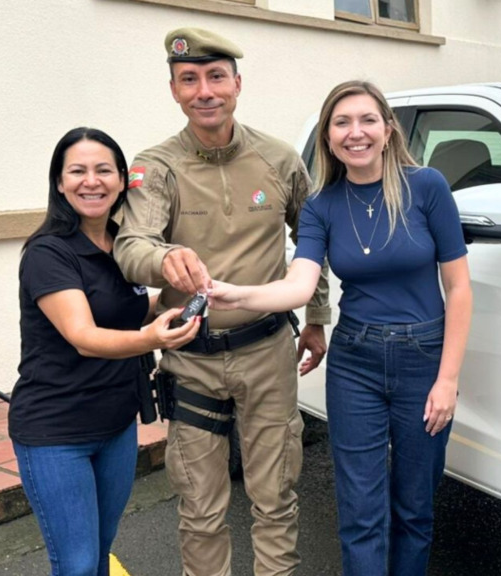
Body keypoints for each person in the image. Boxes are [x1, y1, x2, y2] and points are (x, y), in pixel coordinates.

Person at [209, 80, 473, 576]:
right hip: (356, 363)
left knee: (415, 508)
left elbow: (458, 288)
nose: (356, 133)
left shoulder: (428, 187)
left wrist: (448, 380)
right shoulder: (322, 206)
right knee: (361, 512)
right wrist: (237, 294)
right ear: (328, 138)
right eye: (342, 123)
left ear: (388, 129)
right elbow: (300, 284)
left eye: (367, 120)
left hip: (424, 360)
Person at [113, 28, 330, 576]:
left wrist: (317, 317)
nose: (204, 91)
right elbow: (131, 244)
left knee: (275, 498)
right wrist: (163, 260)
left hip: (267, 353)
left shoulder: (279, 160)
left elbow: (314, 242)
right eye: (190, 80)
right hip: (191, 360)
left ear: (237, 84)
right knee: (200, 509)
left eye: (215, 77)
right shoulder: (156, 165)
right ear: (174, 90)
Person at [10, 127, 200, 576]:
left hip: (115, 424)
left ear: (121, 181)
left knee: (99, 551)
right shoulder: (48, 253)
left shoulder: (123, 244)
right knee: (76, 564)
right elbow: (84, 334)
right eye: (77, 171)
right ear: (59, 182)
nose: (90, 181)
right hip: (56, 432)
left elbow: (127, 307)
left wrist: (185, 297)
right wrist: (154, 337)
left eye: (103, 170)